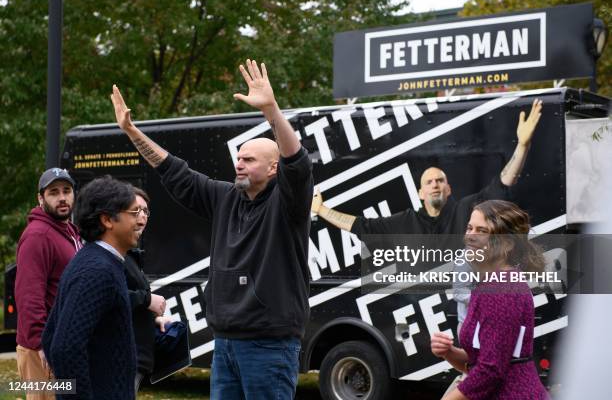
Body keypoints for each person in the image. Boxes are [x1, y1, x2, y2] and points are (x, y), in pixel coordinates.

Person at [110, 59, 313, 399]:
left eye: (248, 159)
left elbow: (298, 163)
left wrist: (271, 110)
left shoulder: (287, 203)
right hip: (226, 343)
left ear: (273, 168)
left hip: (269, 345)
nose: (239, 162)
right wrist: (132, 131)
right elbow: (175, 172)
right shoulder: (225, 197)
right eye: (238, 157)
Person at [310, 99, 543, 237]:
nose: (435, 185)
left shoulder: (466, 211)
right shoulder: (406, 222)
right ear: (420, 193)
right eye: (429, 182)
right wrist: (320, 210)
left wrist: (523, 146)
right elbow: (362, 226)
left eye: (440, 181)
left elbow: (503, 183)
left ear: (449, 189)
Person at [430, 200, 548, 400]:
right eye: (469, 228)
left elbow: (490, 371)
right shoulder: (490, 284)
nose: (470, 236)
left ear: (506, 244)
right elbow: (481, 360)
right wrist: (449, 352)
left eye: (482, 231)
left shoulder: (502, 289)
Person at [41, 176, 140, 400]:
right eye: (133, 213)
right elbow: (64, 348)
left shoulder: (98, 261)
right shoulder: (97, 270)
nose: (140, 220)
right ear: (107, 220)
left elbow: (51, 335)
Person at [15, 168, 81, 400]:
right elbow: (28, 295)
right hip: (41, 348)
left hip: (62, 343)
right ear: (41, 198)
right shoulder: (38, 236)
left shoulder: (69, 231)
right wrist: (40, 342)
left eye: (67, 190)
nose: (62, 197)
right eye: (54, 192)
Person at [125, 187, 173, 392]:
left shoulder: (130, 255)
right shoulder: (109, 256)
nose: (142, 216)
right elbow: (106, 297)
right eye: (135, 211)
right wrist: (146, 300)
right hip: (123, 359)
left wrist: (153, 320)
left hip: (137, 360)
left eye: (145, 211)